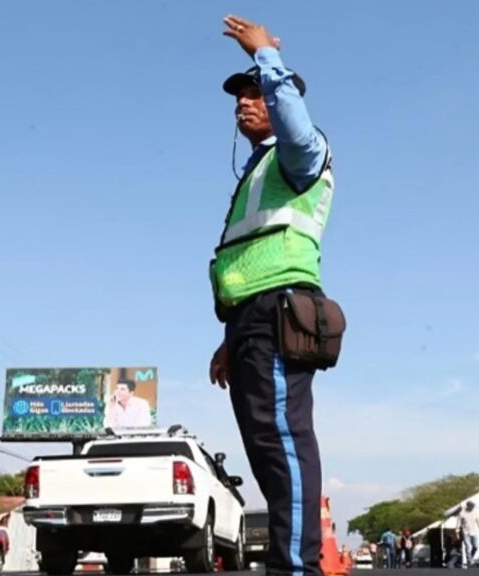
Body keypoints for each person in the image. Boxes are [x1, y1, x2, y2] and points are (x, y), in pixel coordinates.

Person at [207, 13, 337, 576]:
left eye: (256, 95)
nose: (244, 103)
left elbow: (298, 128)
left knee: (284, 443)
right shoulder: (260, 171)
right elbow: (246, 254)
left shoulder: (301, 155)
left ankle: (297, 568)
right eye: (239, 98)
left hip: (278, 311)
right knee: (266, 451)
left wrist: (267, 57)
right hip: (249, 322)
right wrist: (227, 337)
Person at [458, 501, 479, 567]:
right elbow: (458, 522)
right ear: (468, 506)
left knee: (476, 546)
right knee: (468, 546)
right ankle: (469, 561)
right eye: (471, 507)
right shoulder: (462, 513)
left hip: (474, 532)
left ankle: (470, 558)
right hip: (466, 532)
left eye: (473, 507)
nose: (472, 508)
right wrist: (457, 530)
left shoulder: (475, 513)